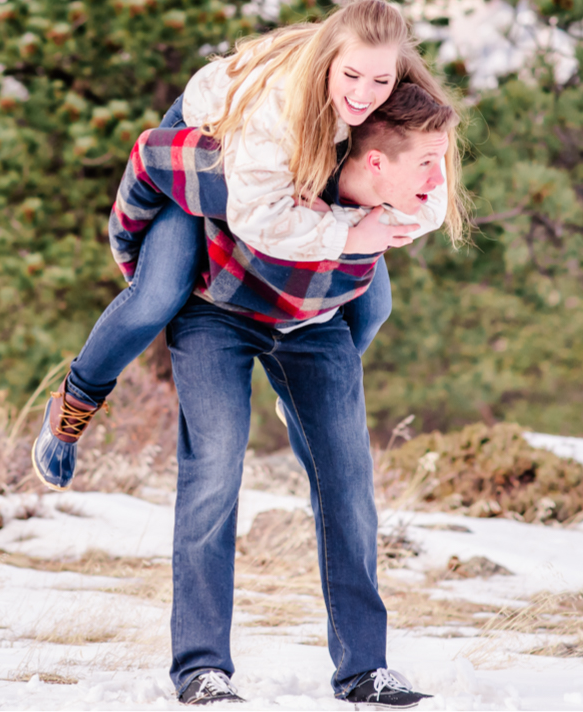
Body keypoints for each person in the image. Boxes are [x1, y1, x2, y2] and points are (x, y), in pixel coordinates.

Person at [31, 0, 465, 490]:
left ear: (398, 71)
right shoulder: (279, 103)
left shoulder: (399, 91)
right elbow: (257, 215)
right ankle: (70, 409)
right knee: (161, 293)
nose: (365, 94)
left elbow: (430, 195)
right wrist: (344, 232)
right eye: (351, 76)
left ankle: (298, 396)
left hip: (304, 169)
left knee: (373, 306)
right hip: (213, 150)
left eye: (380, 81)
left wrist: (371, 219)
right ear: (329, 58)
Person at [163, 83, 459, 707]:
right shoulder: (286, 140)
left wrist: (400, 211)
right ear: (377, 162)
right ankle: (201, 669)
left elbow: (432, 196)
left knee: (348, 478)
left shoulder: (396, 179)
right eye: (430, 163)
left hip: (312, 323)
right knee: (215, 468)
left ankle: (364, 669)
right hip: (216, 309)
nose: (442, 176)